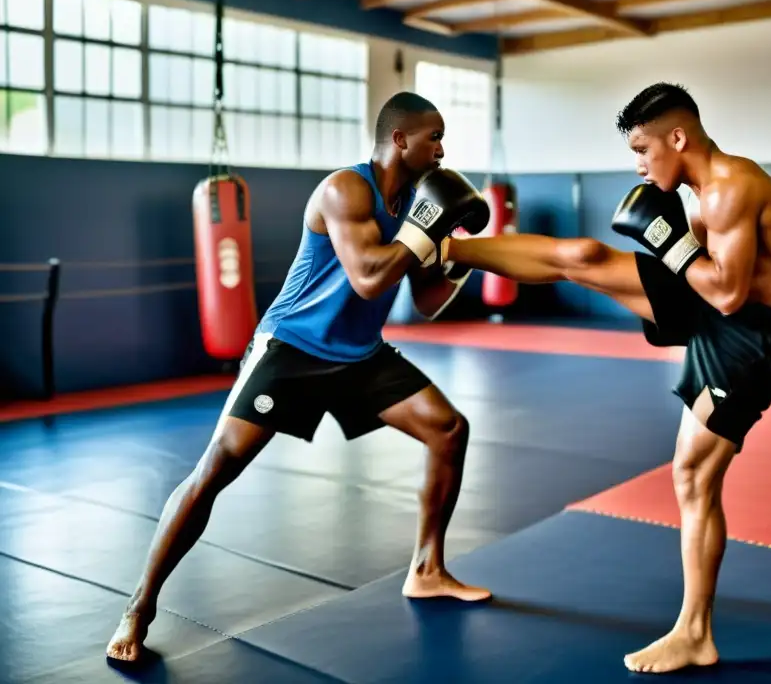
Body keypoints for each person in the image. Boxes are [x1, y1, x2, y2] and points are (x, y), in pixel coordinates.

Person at [106, 92, 493, 663]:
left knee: (448, 429)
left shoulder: (418, 201)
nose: (442, 149)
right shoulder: (346, 188)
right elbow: (366, 277)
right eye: (433, 136)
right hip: (292, 349)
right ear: (400, 140)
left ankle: (428, 569)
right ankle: (138, 608)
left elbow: (428, 301)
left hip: (360, 354)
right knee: (215, 469)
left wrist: (456, 255)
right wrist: (425, 230)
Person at [439, 82, 771, 675]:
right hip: (715, 312)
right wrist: (673, 247)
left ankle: (695, 633)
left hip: (749, 335)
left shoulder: (733, 187)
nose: (638, 164)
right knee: (581, 257)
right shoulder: (703, 192)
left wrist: (666, 238)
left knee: (692, 476)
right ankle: (450, 255)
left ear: (678, 137)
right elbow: (706, 282)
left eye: (643, 148)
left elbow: (730, 290)